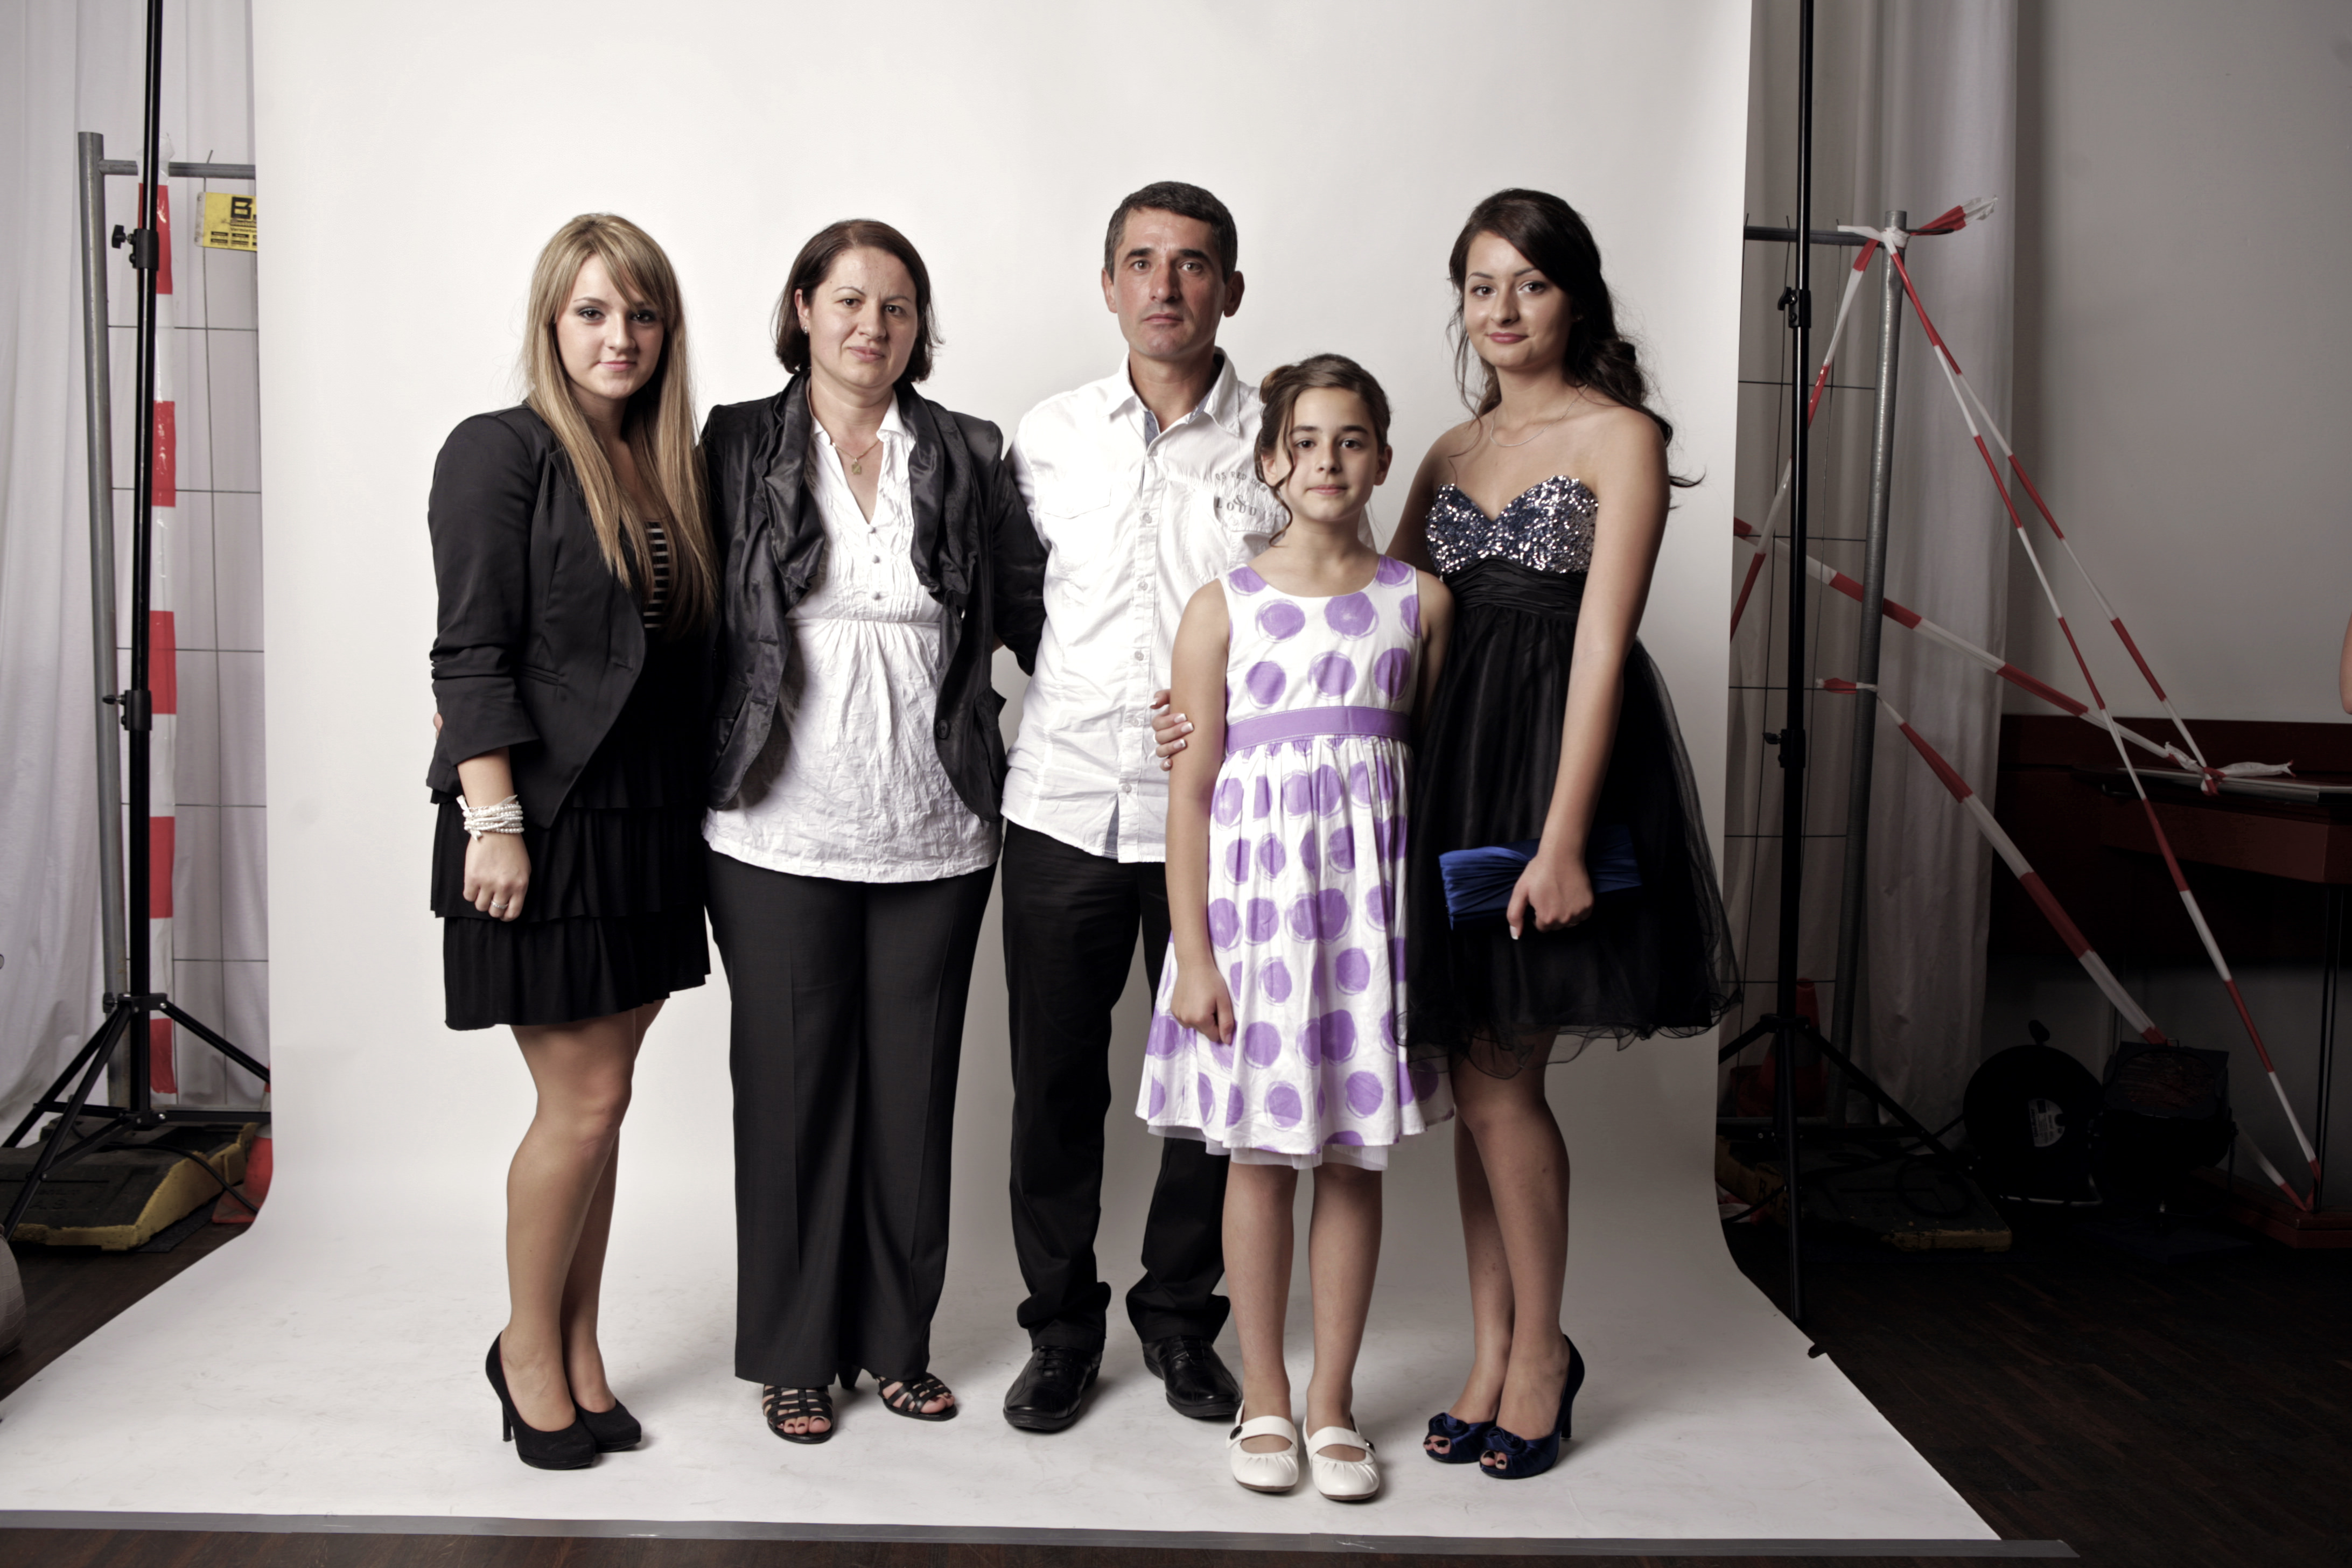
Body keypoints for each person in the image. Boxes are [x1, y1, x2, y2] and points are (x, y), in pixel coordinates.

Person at [1389, 190, 1739, 1481]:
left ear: (1573, 296)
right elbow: (1389, 614)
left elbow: (1602, 643)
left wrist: (1563, 836)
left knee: (1502, 1079)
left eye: (1529, 283)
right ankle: (1495, 1349)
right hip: (1452, 768)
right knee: (1476, 1074)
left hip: (1553, 768)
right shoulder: (1446, 449)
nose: (1503, 309)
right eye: (1482, 286)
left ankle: (1541, 1354)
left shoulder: (1620, 436)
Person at [700, 220, 1046, 1446]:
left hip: (936, 822)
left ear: (919, 329)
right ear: (802, 308)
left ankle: (896, 1342)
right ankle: (796, 1354)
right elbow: (677, 601)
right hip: (775, 824)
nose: (872, 326)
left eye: (897, 307)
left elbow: (1036, 617)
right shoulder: (736, 441)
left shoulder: (968, 451)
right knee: (792, 1094)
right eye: (848, 301)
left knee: (913, 1094)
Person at [997, 181, 1294, 1434]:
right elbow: (1017, 602)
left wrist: (1232, 714)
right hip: (1063, 800)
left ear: (1232, 288)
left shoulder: (1283, 436)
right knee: (1054, 1086)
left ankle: (1180, 1319)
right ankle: (1061, 1330)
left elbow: (1319, 600)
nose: (1165, 286)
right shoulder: (1048, 434)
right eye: (1141, 262)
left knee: (1214, 1083)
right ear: (1108, 283)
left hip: (1222, 820)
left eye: (1193, 263)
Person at [428, 213, 717, 1469]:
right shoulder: (499, 451)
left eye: (642, 314)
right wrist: (493, 818)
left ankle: (580, 1345)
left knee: (606, 1105)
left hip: (646, 823)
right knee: (581, 1101)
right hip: (542, 825)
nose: (620, 336)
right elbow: (468, 652)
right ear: (553, 320)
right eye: (594, 311)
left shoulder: (664, 465)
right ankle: (525, 1351)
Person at [1144, 357, 1454, 1500]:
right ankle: (1266, 1394)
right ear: (1272, 459)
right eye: (1307, 440)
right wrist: (1194, 956)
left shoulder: (1420, 604)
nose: (1328, 460)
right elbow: (1191, 794)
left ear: (1382, 458)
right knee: (1261, 1158)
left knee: (1351, 1160)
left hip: (1366, 929)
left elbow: (1427, 771)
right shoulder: (1220, 607)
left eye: (1352, 440)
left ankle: (1334, 1402)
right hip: (1257, 928)